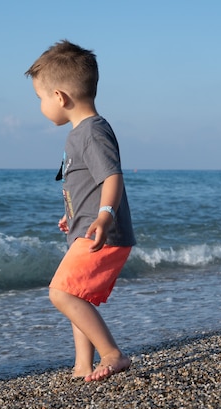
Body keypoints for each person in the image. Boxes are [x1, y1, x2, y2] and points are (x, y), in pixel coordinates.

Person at [25, 40, 136, 382]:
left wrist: (104, 215)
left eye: (41, 99)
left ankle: (113, 354)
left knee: (62, 293)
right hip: (84, 228)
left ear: (60, 97)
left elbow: (112, 176)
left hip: (102, 231)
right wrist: (71, 215)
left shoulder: (92, 132)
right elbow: (83, 185)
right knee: (78, 297)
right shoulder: (80, 133)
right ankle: (82, 365)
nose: (41, 106)